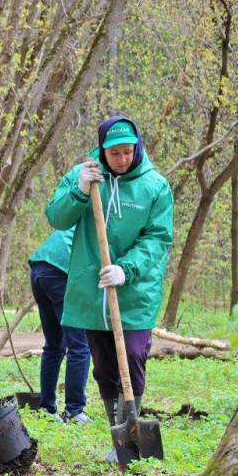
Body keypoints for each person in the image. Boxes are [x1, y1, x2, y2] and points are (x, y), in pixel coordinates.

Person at [45, 115, 174, 456]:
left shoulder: (155, 186)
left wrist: (126, 268)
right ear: (102, 151)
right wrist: (80, 190)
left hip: (136, 289)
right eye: (114, 153)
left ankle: (134, 433)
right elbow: (57, 218)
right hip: (94, 290)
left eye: (127, 152)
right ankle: (119, 440)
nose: (122, 160)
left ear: (137, 147)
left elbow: (159, 238)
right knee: (103, 366)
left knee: (132, 355)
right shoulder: (84, 176)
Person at [28, 228, 90, 423]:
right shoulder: (107, 223)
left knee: (54, 345)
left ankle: (46, 408)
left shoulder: (78, 216)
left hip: (39, 269)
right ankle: (74, 410)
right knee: (80, 344)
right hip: (61, 270)